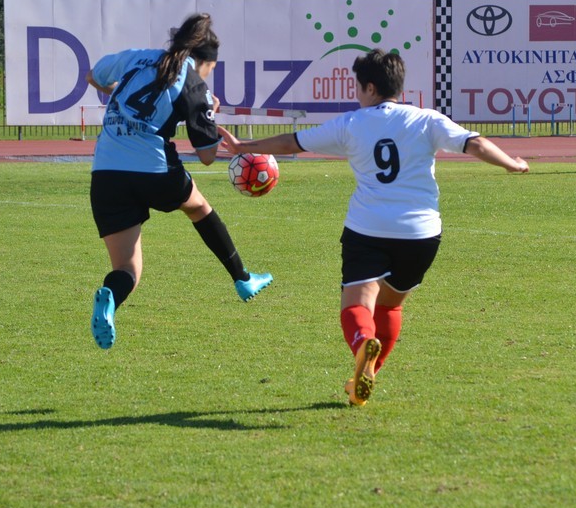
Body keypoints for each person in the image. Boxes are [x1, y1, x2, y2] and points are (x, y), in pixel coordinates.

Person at [220, 49, 529, 406]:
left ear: (369, 87)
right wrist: (512, 164)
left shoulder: (352, 123)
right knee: (390, 307)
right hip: (421, 234)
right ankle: (363, 378)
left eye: (358, 87)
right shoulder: (426, 119)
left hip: (368, 229)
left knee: (357, 305)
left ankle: (363, 344)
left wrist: (243, 146)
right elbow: (476, 143)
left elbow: (292, 142)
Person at [85, 12, 272, 350]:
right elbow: (207, 155)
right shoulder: (193, 82)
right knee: (198, 207)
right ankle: (243, 279)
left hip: (106, 172)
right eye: (211, 68)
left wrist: (119, 99)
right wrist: (209, 113)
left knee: (127, 268)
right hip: (154, 169)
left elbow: (93, 76)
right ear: (205, 61)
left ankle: (110, 294)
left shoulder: (137, 57)